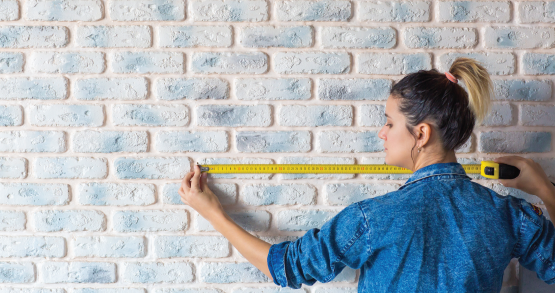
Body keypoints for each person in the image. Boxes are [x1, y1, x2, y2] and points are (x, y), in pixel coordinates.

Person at [179, 57, 555, 292]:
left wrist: (211, 212)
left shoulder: (371, 219)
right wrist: (545, 191)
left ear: (421, 134)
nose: (382, 132)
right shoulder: (508, 216)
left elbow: (288, 267)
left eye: (389, 122)